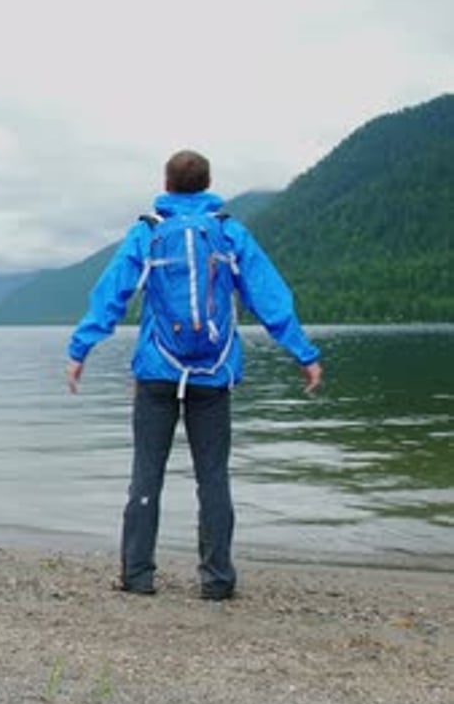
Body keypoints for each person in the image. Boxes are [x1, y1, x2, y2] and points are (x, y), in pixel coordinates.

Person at [66, 150, 322, 600]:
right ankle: (218, 581)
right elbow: (268, 295)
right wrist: (303, 353)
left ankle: (138, 576)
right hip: (213, 374)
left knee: (146, 474)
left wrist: (80, 348)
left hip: (156, 373)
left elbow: (112, 295)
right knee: (214, 478)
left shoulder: (147, 233)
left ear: (166, 185)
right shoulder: (227, 232)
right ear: (207, 185)